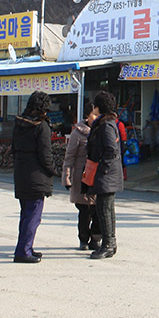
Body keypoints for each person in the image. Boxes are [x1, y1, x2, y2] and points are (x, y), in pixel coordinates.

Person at [10, 91, 57, 263]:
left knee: (26, 214)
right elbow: (46, 155)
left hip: (21, 173)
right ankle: (23, 251)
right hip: (36, 176)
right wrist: (53, 170)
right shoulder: (41, 126)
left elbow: (13, 148)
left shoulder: (19, 123)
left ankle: (26, 246)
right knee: (33, 215)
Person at [86, 91, 124, 260]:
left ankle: (108, 244)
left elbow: (111, 150)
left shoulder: (107, 124)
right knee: (105, 208)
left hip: (106, 173)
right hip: (105, 172)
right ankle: (110, 243)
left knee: (105, 209)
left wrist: (103, 167)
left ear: (99, 106)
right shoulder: (105, 123)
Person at [64, 100, 101, 251]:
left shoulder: (102, 131)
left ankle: (96, 238)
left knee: (98, 211)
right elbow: (69, 157)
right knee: (84, 212)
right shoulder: (77, 133)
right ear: (87, 115)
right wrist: (66, 176)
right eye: (95, 114)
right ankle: (83, 239)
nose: (97, 117)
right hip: (82, 177)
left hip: (98, 177)